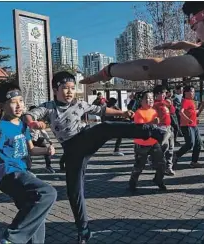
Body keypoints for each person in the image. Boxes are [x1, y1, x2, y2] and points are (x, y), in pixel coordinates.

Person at [79, 1, 204, 243]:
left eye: (194, 24)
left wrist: (108, 71)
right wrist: (186, 46)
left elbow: (151, 69)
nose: (195, 32)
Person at [24, 71, 169, 244]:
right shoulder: (49, 107)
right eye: (65, 88)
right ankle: (83, 231)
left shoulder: (79, 104)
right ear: (55, 89)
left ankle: (153, 131)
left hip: (85, 139)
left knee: (105, 127)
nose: (70, 92)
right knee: (74, 192)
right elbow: (30, 114)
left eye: (72, 88)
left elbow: (101, 110)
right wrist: (33, 123)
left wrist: (122, 114)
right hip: (72, 150)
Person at [0, 83, 57, 244]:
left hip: (22, 173)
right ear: (2, 105)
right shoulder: (0, 128)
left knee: (35, 216)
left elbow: (31, 150)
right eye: (13, 102)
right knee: (48, 193)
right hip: (9, 175)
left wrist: (46, 150)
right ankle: (9, 237)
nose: (19, 105)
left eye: (21, 101)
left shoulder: (22, 125)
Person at [130, 91, 167, 191]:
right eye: (147, 98)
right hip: (141, 144)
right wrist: (152, 122)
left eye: (151, 98)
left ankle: (158, 180)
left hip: (154, 143)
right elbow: (141, 128)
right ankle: (132, 184)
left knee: (162, 164)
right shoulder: (138, 113)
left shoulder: (154, 111)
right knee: (139, 166)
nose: (150, 100)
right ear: (141, 101)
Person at [173, 85, 204, 168]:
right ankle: (175, 155)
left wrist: (201, 107)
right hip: (186, 125)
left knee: (198, 144)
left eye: (193, 91)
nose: (193, 93)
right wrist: (187, 119)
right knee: (190, 143)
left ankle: (194, 162)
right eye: (191, 91)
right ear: (185, 92)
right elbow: (181, 112)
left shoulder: (192, 101)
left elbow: (194, 112)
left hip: (194, 125)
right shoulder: (185, 101)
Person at [153, 85, 176, 176]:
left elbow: (173, 112)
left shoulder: (166, 103)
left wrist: (170, 105)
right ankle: (157, 164)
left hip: (169, 127)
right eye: (161, 93)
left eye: (164, 93)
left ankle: (168, 167)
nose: (163, 95)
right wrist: (164, 103)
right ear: (156, 94)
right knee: (163, 148)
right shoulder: (155, 104)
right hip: (161, 128)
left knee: (171, 148)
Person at [28, 105, 55, 173]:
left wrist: (49, 140)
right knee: (27, 153)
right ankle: (27, 169)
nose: (34, 114)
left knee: (47, 150)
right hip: (29, 139)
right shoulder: (26, 120)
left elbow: (43, 131)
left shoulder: (38, 121)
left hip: (38, 139)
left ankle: (48, 166)